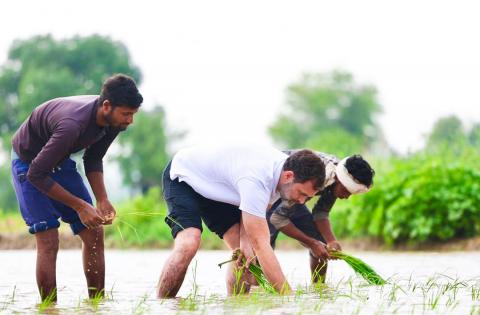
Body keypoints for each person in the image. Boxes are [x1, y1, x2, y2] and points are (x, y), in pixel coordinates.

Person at [11, 74, 143, 301]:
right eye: (127, 114)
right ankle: (49, 310)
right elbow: (37, 174)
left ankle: (97, 305)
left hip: (59, 160)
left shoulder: (113, 123)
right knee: (48, 238)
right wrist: (81, 206)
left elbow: (93, 159)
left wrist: (101, 199)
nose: (130, 120)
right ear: (106, 106)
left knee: (94, 231)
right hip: (29, 164)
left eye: (133, 114)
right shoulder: (72, 124)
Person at [157, 146, 326, 298]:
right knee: (189, 242)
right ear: (289, 176)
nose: (302, 202)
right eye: (302, 194)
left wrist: (245, 244)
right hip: (185, 177)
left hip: (222, 189)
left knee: (245, 255)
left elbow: (253, 217)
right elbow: (261, 244)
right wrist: (288, 297)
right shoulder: (258, 178)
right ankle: (163, 304)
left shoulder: (282, 177)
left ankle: (236, 308)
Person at [267, 152, 375, 283]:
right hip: (275, 191)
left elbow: (321, 212)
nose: (346, 197)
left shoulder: (337, 178)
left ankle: (318, 288)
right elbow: (278, 218)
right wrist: (311, 243)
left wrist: (331, 241)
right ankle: (251, 288)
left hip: (295, 198)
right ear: (339, 180)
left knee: (321, 244)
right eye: (346, 191)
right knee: (263, 246)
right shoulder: (320, 176)